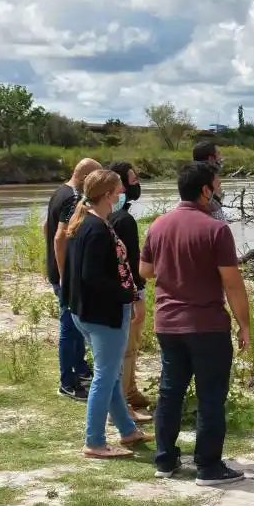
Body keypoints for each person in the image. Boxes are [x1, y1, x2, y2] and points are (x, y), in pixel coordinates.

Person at [140, 162, 249, 485]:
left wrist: (174, 266)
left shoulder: (158, 225)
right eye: (216, 185)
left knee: (170, 393)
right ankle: (208, 466)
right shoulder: (216, 229)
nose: (219, 191)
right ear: (204, 190)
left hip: (167, 325)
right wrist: (244, 324)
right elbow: (232, 284)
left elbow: (145, 271)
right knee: (211, 396)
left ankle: (165, 461)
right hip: (207, 326)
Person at [61, 168, 153, 459]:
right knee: (104, 376)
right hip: (103, 315)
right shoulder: (96, 229)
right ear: (107, 194)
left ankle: (127, 430)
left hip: (85, 312)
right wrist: (127, 295)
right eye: (118, 189)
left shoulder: (84, 222)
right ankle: (95, 441)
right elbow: (93, 277)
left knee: (111, 375)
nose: (122, 192)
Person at [46, 157, 101, 400]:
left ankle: (80, 370)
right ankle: (67, 382)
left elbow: (45, 226)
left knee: (76, 327)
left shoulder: (60, 191)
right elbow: (59, 237)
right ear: (86, 177)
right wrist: (65, 275)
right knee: (69, 328)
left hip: (57, 270)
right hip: (65, 275)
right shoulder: (74, 198)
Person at [107, 160, 151, 415]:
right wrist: (137, 295)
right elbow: (129, 263)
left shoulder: (106, 216)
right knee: (128, 347)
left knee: (129, 345)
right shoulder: (123, 220)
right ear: (120, 185)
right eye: (133, 180)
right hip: (127, 292)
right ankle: (122, 403)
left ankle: (131, 390)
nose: (137, 185)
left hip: (117, 292)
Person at [191, 140, 227, 221]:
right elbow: (218, 222)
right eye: (218, 153)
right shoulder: (208, 180)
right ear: (211, 159)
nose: (221, 157)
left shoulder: (190, 178)